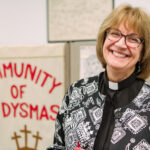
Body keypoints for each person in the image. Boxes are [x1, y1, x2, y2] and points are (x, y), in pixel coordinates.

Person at [47, 4, 150, 150]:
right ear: (104, 39)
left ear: (143, 52)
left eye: (133, 39)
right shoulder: (76, 92)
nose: (121, 44)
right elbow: (57, 146)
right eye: (115, 33)